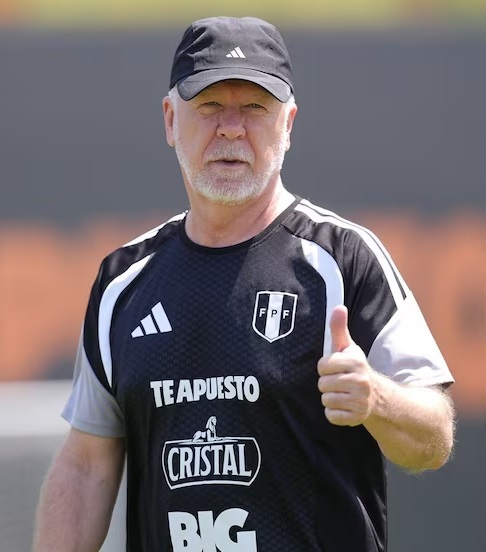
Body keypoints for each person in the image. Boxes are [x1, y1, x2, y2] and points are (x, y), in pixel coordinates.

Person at [33, 15, 455, 552]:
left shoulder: (344, 259)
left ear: (288, 124)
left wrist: (376, 399)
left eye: (255, 107)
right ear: (170, 120)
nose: (231, 128)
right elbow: (86, 465)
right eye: (210, 105)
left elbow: (435, 438)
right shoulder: (123, 281)